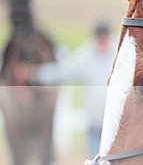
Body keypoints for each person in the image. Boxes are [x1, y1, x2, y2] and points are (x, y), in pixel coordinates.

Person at [34, 21, 117, 157]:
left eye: (105, 38)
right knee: (96, 163)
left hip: (118, 126)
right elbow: (62, 71)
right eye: (100, 38)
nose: (103, 42)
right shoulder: (85, 57)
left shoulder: (120, 54)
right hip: (95, 124)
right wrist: (35, 74)